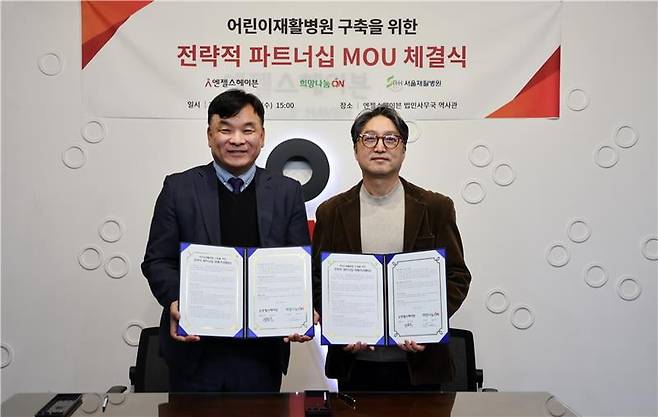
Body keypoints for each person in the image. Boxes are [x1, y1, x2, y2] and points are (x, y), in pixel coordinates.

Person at [142, 89, 311, 392]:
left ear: (262, 136)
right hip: (195, 352)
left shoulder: (287, 192)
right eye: (225, 130)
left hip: (261, 354)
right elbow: (158, 260)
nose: (237, 140)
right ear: (210, 136)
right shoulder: (179, 188)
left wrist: (300, 309)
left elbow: (299, 265)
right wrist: (176, 300)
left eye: (248, 130)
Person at [312, 105, 471, 391]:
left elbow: (457, 276)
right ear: (355, 149)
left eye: (390, 139)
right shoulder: (331, 212)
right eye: (369, 138)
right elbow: (317, 281)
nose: (380, 147)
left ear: (403, 149)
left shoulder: (436, 208)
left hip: (422, 367)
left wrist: (429, 324)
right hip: (355, 365)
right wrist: (338, 328)